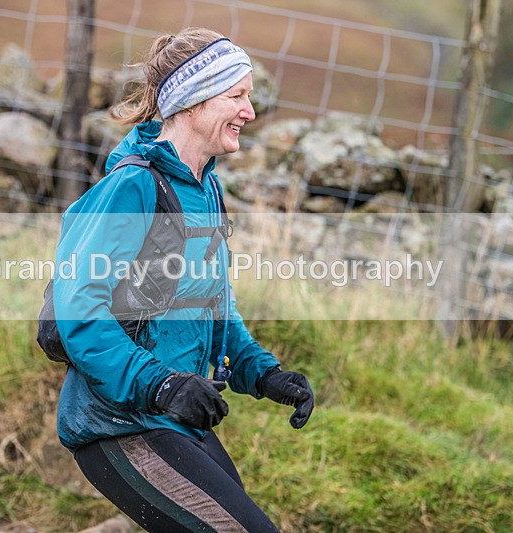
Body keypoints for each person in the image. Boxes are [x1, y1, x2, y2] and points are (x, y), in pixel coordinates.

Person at [53, 27, 314, 532]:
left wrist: (264, 373)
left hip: (171, 419)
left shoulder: (206, 190)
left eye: (249, 97)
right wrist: (165, 385)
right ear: (194, 101)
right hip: (120, 424)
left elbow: (214, 309)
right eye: (237, 96)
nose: (250, 112)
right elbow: (79, 314)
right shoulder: (131, 187)